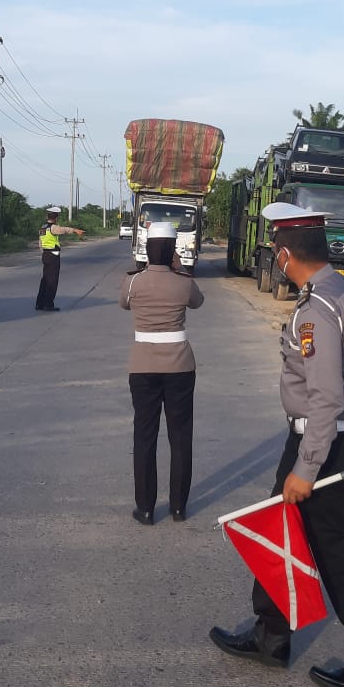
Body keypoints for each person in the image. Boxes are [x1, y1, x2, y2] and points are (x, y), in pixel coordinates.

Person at [210, 201, 344, 687]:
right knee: (281, 528)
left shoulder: (317, 309)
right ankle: (270, 634)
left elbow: (327, 397)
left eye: (276, 252)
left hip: (329, 442)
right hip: (326, 434)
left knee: (342, 551)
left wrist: (308, 466)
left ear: (287, 255)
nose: (276, 260)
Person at [120, 221, 204, 526]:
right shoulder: (183, 282)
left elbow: (123, 305)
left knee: (144, 436)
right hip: (180, 366)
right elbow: (198, 301)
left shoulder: (132, 283)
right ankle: (179, 508)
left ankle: (145, 509)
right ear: (172, 251)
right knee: (180, 436)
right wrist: (180, 269)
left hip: (142, 367)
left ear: (146, 249)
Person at [35, 205, 84, 311]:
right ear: (56, 217)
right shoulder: (53, 227)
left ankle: (40, 303)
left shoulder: (42, 227)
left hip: (45, 254)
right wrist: (75, 230)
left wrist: (43, 252)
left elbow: (40, 242)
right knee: (52, 280)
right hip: (53, 255)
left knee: (45, 280)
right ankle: (48, 304)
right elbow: (63, 230)